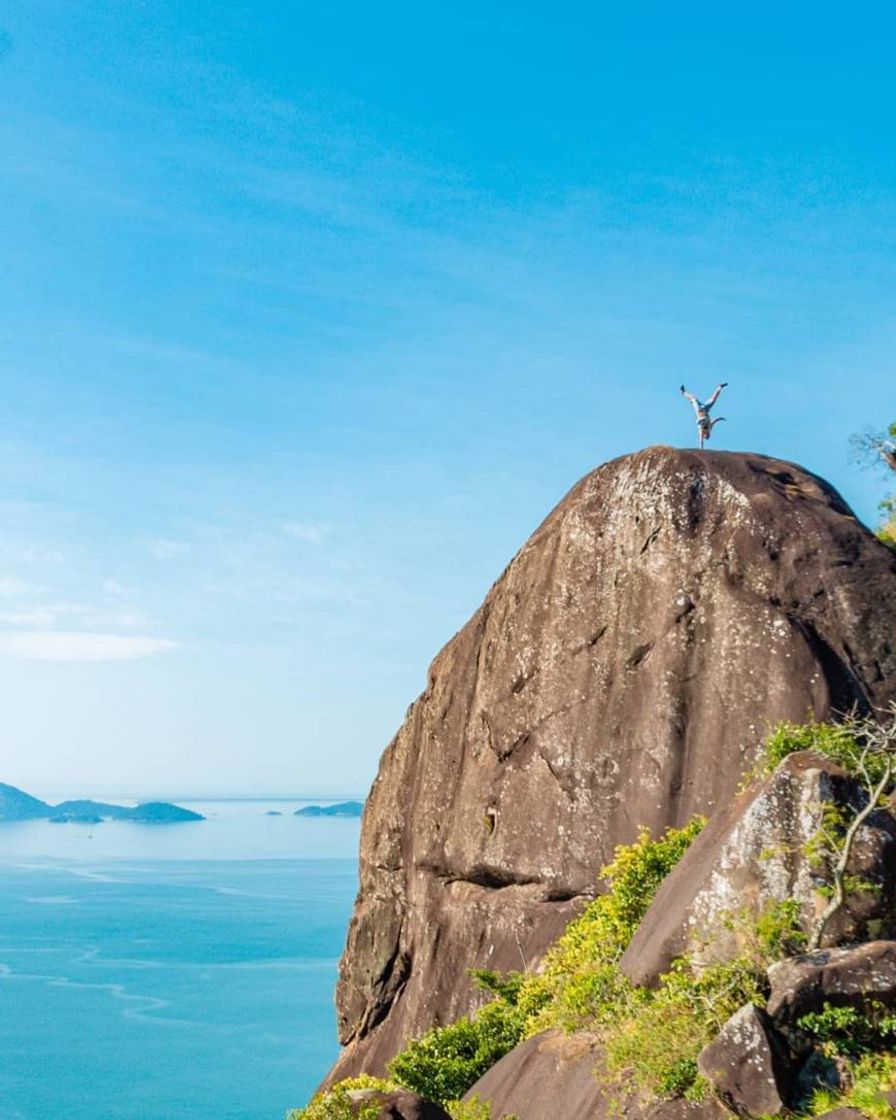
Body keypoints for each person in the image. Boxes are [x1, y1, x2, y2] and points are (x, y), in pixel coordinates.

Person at [680, 382, 728, 449]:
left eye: (706, 436)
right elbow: (714, 421)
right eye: (708, 435)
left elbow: (701, 441)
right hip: (705, 409)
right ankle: (719, 387)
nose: (707, 435)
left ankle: (683, 392)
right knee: (713, 400)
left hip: (699, 410)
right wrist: (720, 418)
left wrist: (701, 448)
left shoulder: (701, 429)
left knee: (694, 399)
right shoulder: (709, 427)